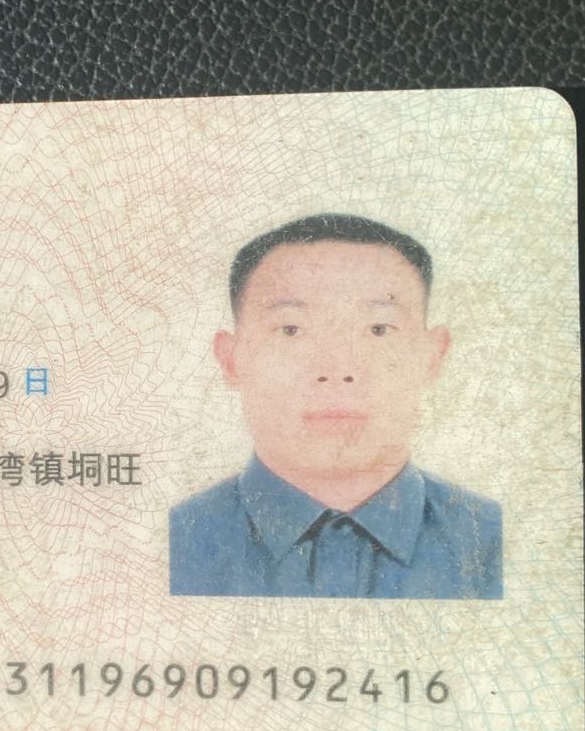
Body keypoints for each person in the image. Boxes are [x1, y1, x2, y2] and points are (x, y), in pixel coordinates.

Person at [168, 214, 502, 598]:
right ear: (230, 359)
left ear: (431, 357)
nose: (337, 369)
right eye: (291, 329)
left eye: (378, 329)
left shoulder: (498, 541)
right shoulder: (168, 543)